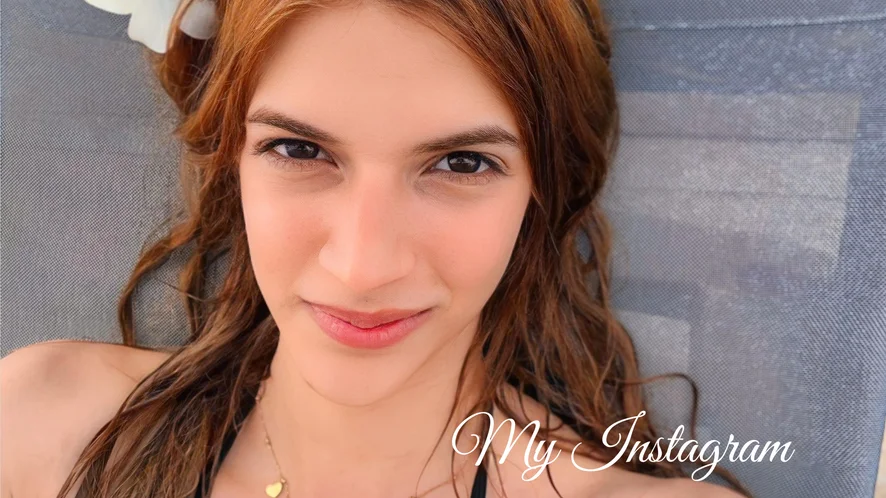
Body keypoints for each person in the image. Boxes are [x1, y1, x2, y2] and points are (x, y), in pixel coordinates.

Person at [1, 0, 751, 497]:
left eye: (461, 163)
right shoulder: (42, 427)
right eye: (299, 150)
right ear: (231, 159)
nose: (363, 267)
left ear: (541, 186)